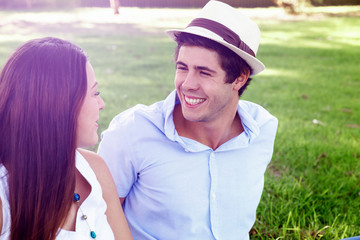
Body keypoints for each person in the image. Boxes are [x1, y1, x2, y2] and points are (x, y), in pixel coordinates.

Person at [98, 1, 278, 239]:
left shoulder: (262, 130)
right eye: (182, 68)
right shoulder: (132, 131)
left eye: (204, 72)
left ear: (239, 79)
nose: (187, 84)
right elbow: (95, 218)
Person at [0, 37, 133, 240]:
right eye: (94, 93)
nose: (102, 103)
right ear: (58, 106)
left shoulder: (95, 168)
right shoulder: (4, 200)